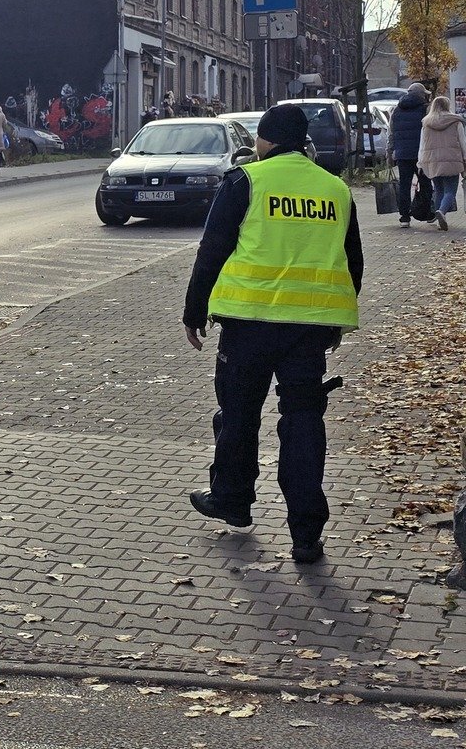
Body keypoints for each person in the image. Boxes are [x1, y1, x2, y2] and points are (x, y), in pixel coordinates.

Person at [183, 103, 363, 564]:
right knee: (303, 424)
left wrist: (194, 310)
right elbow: (351, 263)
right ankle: (306, 535)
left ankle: (233, 501)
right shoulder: (336, 190)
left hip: (248, 326)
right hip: (307, 333)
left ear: (264, 140)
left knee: (239, 414)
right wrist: (333, 321)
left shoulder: (247, 180)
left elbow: (213, 249)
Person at [388, 82, 433, 226]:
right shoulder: (425, 109)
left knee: (404, 185)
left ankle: (404, 217)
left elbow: (391, 132)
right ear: (421, 95)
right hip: (421, 154)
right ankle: (426, 212)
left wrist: (390, 151)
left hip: (402, 154)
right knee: (426, 183)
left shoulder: (396, 110)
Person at [418, 94, 466, 231]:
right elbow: (462, 142)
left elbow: (422, 144)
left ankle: (440, 217)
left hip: (432, 160)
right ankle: (442, 212)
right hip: (452, 160)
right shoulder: (456, 122)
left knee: (438, 189)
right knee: (450, 190)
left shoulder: (426, 123)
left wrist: (420, 162)